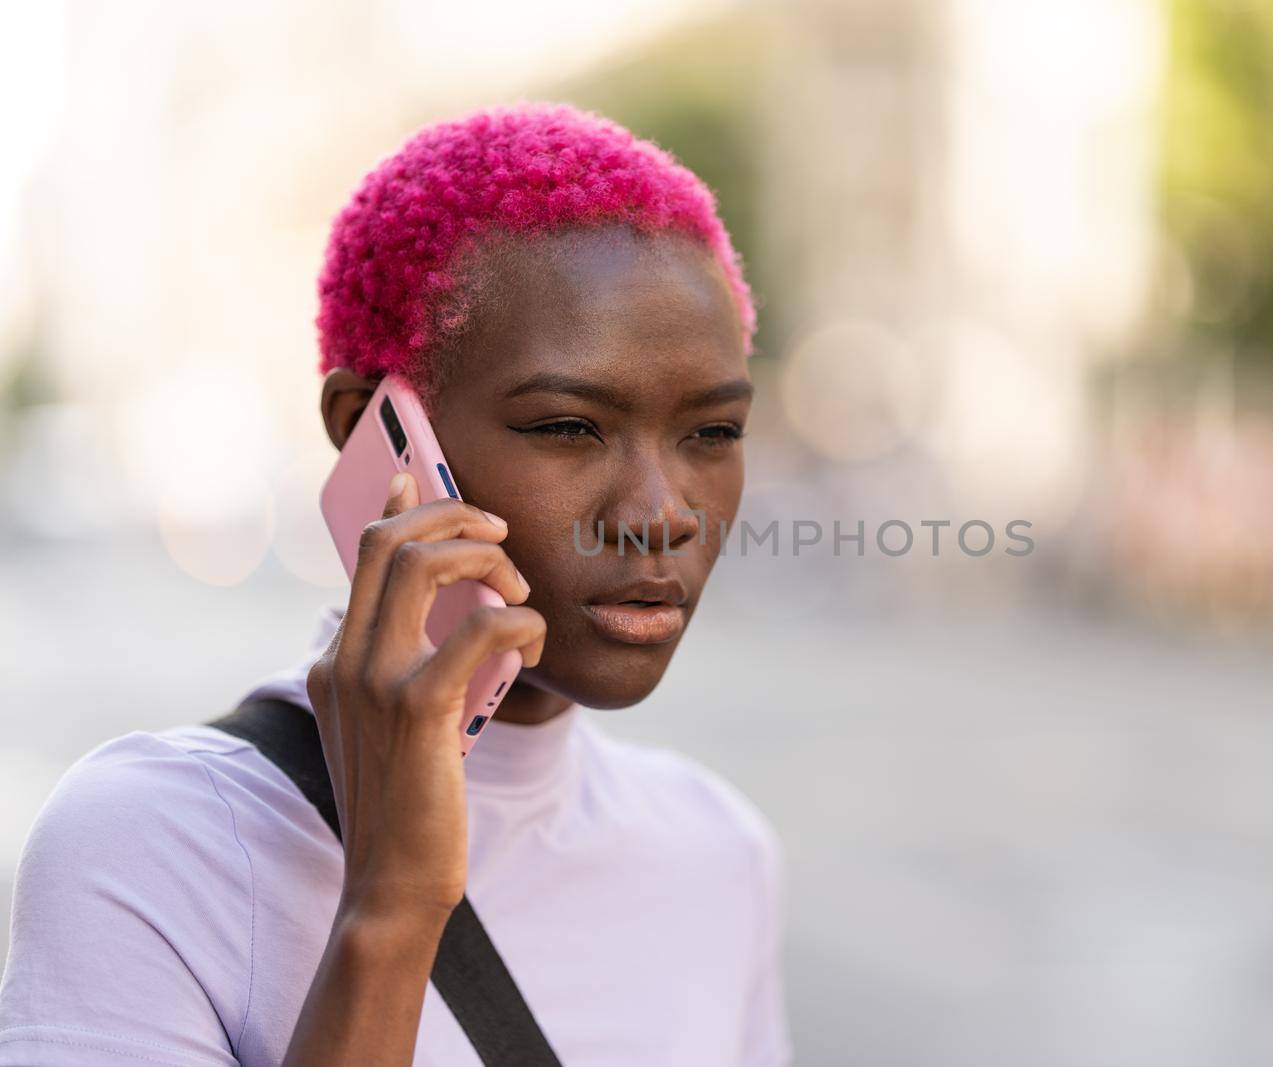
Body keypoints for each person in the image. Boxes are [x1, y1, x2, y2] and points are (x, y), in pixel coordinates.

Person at [0, 103, 790, 1066]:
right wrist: (394, 897)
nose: (663, 511)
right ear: (369, 429)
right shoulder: (150, 843)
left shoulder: (718, 850)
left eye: (712, 433)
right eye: (567, 426)